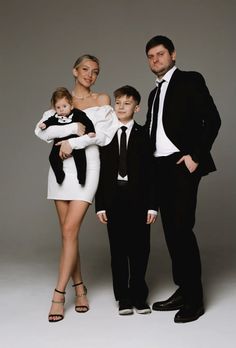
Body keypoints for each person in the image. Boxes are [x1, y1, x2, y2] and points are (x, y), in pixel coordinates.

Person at [35, 54, 119, 323]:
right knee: (67, 235)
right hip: (60, 172)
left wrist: (74, 142)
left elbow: (104, 136)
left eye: (95, 71)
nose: (90, 75)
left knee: (70, 230)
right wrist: (72, 127)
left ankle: (58, 295)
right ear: (74, 71)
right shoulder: (62, 102)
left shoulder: (103, 100)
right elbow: (42, 131)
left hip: (88, 168)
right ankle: (80, 288)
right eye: (85, 69)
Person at [144, 35, 221, 323]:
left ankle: (195, 301)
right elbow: (155, 131)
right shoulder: (153, 94)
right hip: (159, 168)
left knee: (182, 230)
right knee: (171, 233)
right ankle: (183, 289)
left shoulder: (190, 80)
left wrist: (195, 157)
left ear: (173, 55)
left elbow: (212, 119)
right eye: (151, 56)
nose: (155, 60)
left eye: (160, 54)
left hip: (182, 165)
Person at [95, 85, 158, 315]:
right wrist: (99, 204)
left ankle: (139, 296)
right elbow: (98, 171)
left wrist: (153, 205)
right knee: (118, 250)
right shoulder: (106, 134)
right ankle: (123, 297)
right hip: (113, 198)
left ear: (137, 108)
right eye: (118, 102)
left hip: (139, 199)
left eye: (127, 103)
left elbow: (152, 174)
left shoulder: (144, 135)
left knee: (140, 249)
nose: (121, 107)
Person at [39, 87, 96, 185]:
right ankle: (59, 175)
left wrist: (91, 131)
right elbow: (49, 121)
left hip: (74, 141)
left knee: (80, 156)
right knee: (52, 157)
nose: (61, 110)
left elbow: (87, 121)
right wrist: (45, 124)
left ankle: (82, 177)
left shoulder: (77, 113)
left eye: (64, 106)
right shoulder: (55, 117)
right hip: (58, 142)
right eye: (58, 107)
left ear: (71, 105)